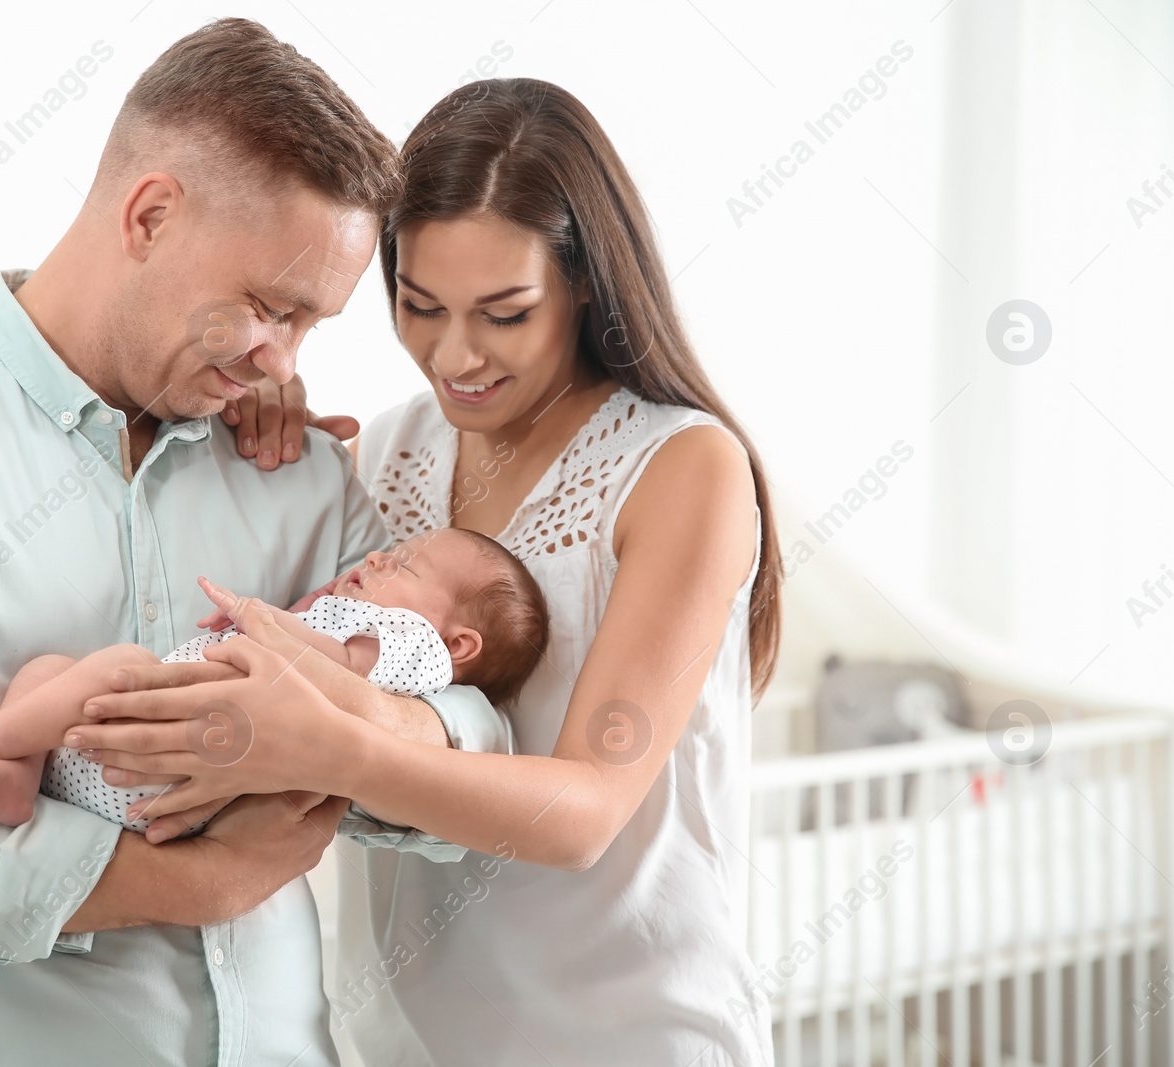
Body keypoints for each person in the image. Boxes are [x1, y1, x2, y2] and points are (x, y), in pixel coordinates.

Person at [0, 20, 510, 1067]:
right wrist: (195, 880)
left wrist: (348, 728)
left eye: (310, 324)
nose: (281, 357)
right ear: (149, 214)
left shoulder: (292, 465)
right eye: (267, 306)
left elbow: (472, 734)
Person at [66, 78, 785, 1065]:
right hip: (408, 1032)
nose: (454, 355)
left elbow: (583, 812)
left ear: (585, 282)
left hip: (630, 1032)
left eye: (504, 312)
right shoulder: (396, 444)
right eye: (419, 305)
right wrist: (254, 405)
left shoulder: (681, 466)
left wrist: (327, 747)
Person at [0, 529, 548, 829]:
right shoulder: (357, 617)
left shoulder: (415, 646)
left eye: (405, 564)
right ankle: (15, 775)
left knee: (115, 665)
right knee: (51, 672)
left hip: (176, 752)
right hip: (136, 760)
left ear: (460, 642)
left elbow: (339, 668)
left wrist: (258, 616)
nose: (379, 555)